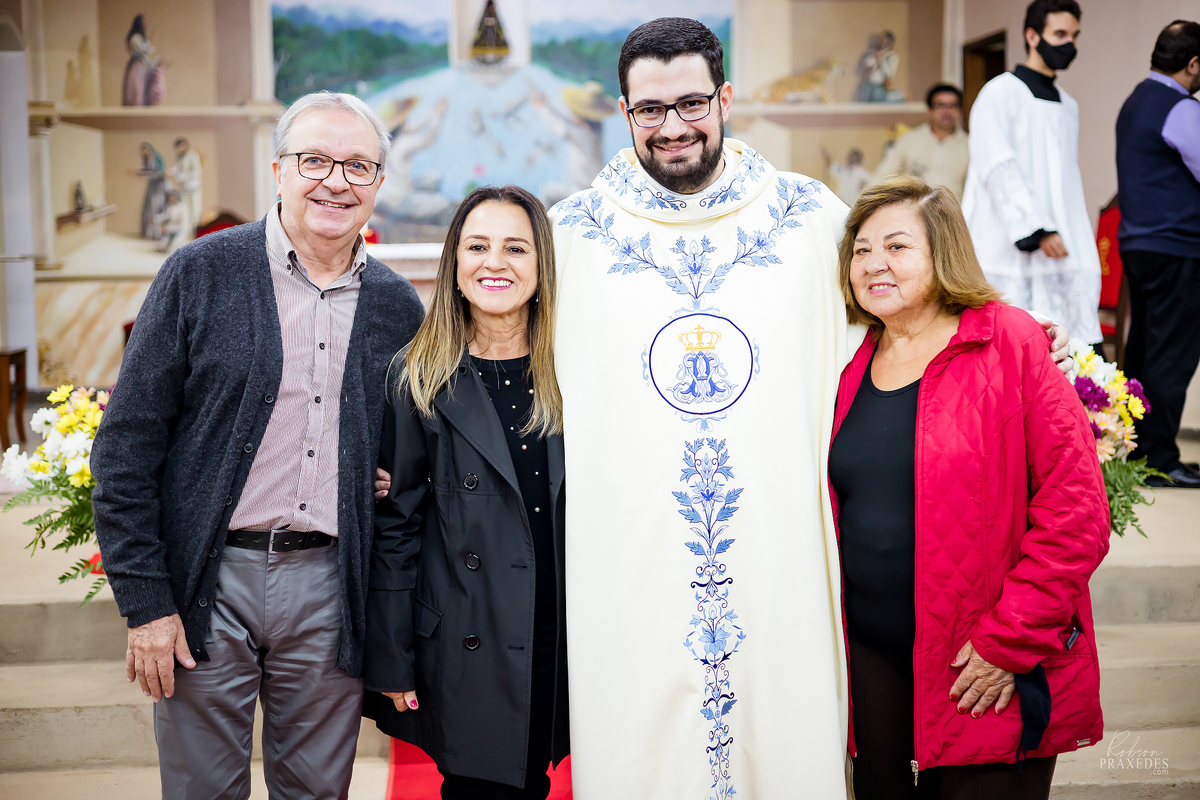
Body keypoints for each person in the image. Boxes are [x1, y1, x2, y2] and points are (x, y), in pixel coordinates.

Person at [543, 18, 1070, 799]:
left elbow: (906, 315)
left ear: (725, 98)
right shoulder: (571, 239)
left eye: (691, 103)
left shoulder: (806, 221)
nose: (672, 126)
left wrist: (1007, 341)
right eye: (648, 110)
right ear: (624, 114)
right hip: (632, 568)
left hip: (782, 555)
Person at [91, 91, 424, 799]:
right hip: (211, 579)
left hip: (332, 587)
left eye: (358, 166)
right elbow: (126, 447)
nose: (336, 181)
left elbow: (409, 441)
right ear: (278, 169)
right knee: (202, 789)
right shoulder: (200, 273)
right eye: (315, 160)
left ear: (378, 186)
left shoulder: (398, 305)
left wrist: (389, 474)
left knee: (316, 791)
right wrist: (146, 603)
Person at [830, 176, 1108, 798]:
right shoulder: (847, 358)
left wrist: (1009, 641)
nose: (875, 263)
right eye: (861, 249)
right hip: (874, 663)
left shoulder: (1007, 342)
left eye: (897, 247)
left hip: (980, 663)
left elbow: (1077, 513)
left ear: (944, 254)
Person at [363, 185, 568, 799]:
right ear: (455, 263)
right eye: (477, 246)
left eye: (515, 247)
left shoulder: (576, 369)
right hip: (465, 632)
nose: (495, 263)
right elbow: (395, 525)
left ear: (542, 265)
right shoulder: (418, 373)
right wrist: (391, 654)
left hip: (558, 628)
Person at [963, 0, 1102, 346]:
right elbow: (997, 164)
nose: (1069, 43)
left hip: (1061, 239)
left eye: (1074, 35)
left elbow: (1063, 180)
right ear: (1032, 36)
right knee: (1010, 343)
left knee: (1065, 348)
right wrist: (1037, 228)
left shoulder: (1068, 105)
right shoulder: (999, 93)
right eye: (1059, 34)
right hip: (1011, 241)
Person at [1115, 20, 1200, 489]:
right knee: (1172, 356)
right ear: (1192, 64)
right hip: (1178, 247)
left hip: (1140, 244)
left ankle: (1137, 451)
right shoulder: (1181, 108)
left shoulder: (1134, 102)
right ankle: (1162, 460)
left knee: (1145, 354)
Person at [874, 84, 969, 200]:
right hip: (913, 213)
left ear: (960, 111)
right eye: (940, 105)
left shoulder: (970, 145)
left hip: (953, 214)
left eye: (952, 106)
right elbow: (882, 178)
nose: (946, 111)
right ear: (929, 111)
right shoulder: (909, 140)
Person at [169, 137, 202, 244]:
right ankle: (185, 233)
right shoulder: (179, 157)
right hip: (183, 188)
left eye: (181, 146)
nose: (180, 149)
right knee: (184, 211)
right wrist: (170, 172)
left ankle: (195, 234)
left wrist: (180, 177)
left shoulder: (193, 156)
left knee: (194, 211)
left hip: (193, 188)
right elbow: (176, 168)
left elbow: (196, 172)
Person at [122, 14, 160, 106]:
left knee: (144, 88)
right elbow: (142, 49)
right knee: (137, 88)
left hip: (143, 65)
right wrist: (150, 41)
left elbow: (150, 50)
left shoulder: (142, 38)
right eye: (144, 23)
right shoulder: (135, 38)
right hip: (137, 65)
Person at [132, 143, 167, 240]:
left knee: (156, 207)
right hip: (151, 185)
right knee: (149, 208)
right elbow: (146, 171)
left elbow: (159, 172)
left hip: (159, 185)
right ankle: (149, 233)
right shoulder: (147, 160)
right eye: (143, 150)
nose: (145, 152)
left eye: (146, 150)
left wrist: (146, 174)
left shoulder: (156, 158)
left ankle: (157, 234)